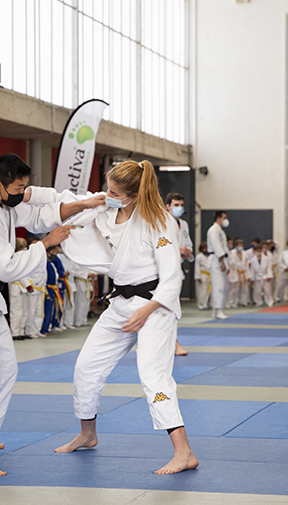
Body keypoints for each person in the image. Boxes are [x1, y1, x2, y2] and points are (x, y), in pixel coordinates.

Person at [0, 153, 99, 476]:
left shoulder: (0, 199)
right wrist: (45, 245)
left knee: (7, 369)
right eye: (18, 187)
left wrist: (83, 205)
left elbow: (42, 213)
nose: (23, 192)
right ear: (0, 185)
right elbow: (7, 266)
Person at [46, 160, 198, 475]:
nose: (108, 195)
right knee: (86, 367)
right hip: (121, 302)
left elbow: (172, 279)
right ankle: (88, 434)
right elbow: (70, 210)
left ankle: (184, 452)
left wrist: (147, 309)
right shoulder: (104, 210)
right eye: (108, 189)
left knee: (153, 375)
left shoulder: (160, 222)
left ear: (134, 193)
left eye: (115, 192)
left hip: (154, 305)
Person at [165, 193, 193, 355]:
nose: (179, 208)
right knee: (169, 307)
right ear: (168, 206)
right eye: (176, 205)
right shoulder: (161, 222)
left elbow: (187, 243)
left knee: (174, 308)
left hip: (177, 270)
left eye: (181, 205)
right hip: (164, 271)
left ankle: (172, 343)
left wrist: (187, 251)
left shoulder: (184, 224)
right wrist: (177, 250)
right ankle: (174, 344)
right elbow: (158, 246)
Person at [206, 210, 229, 320]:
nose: (226, 220)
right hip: (216, 259)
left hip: (219, 259)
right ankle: (218, 310)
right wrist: (221, 261)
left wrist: (227, 263)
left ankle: (217, 310)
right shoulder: (214, 230)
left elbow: (224, 248)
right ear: (219, 218)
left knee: (221, 286)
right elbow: (217, 247)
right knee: (218, 286)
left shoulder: (219, 230)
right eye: (224, 218)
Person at [8, 238, 32, 340]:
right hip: (17, 287)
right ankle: (15, 332)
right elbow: (20, 272)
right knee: (16, 311)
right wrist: (28, 284)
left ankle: (21, 331)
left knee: (24, 311)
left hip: (24, 288)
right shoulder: (14, 258)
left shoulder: (23, 258)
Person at [25, 238, 48, 339]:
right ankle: (29, 331)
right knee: (31, 310)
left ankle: (37, 330)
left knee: (39, 310)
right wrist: (29, 284)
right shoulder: (26, 257)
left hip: (41, 288)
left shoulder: (42, 257)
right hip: (33, 287)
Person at [226, 238, 249, 308]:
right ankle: (232, 302)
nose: (240, 247)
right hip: (235, 272)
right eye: (239, 245)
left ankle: (243, 301)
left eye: (242, 245)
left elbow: (247, 264)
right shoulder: (232, 253)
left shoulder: (245, 253)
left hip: (243, 272)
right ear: (235, 246)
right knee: (233, 289)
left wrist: (248, 274)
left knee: (244, 288)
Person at [250, 242, 274, 307]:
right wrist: (252, 278)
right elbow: (252, 270)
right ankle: (258, 302)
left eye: (260, 250)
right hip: (257, 277)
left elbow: (269, 267)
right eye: (257, 250)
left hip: (265, 276)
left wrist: (269, 275)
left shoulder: (266, 258)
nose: (259, 251)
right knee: (257, 291)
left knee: (267, 290)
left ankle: (269, 301)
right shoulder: (253, 259)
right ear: (255, 251)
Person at [72, 262, 93, 327]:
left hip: (87, 283)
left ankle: (84, 320)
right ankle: (78, 321)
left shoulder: (86, 259)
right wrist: (87, 274)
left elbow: (91, 269)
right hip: (80, 282)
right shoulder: (75, 261)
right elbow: (73, 272)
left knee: (86, 304)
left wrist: (92, 274)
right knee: (80, 303)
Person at [194, 242, 211, 310]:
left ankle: (205, 304)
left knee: (207, 291)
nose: (206, 250)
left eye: (207, 248)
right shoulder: (199, 256)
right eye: (205, 248)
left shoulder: (208, 257)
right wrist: (198, 277)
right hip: (202, 275)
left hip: (208, 275)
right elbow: (197, 267)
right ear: (201, 249)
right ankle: (201, 305)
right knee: (202, 291)